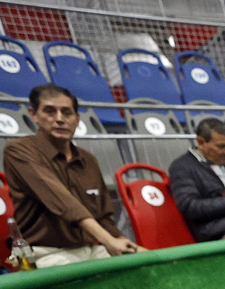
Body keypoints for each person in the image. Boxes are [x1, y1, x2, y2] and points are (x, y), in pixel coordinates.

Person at [2, 84, 144, 267]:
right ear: (34, 115)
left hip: (90, 250)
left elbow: (103, 218)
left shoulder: (88, 159)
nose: (59, 119)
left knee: (141, 271)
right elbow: (61, 200)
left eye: (67, 113)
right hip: (44, 253)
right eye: (50, 111)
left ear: (77, 119)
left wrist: (132, 248)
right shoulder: (19, 150)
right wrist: (108, 240)